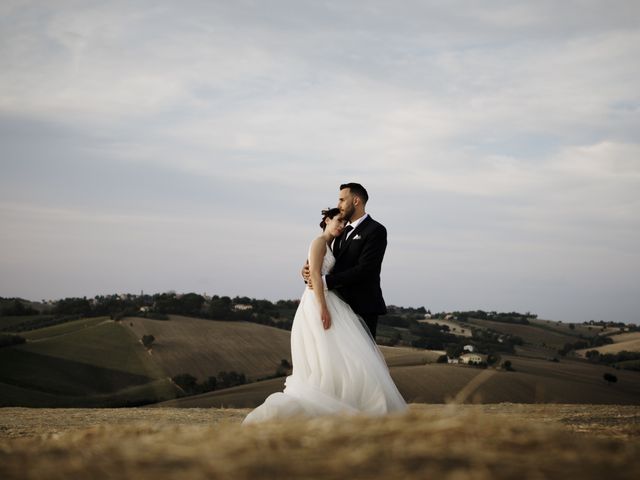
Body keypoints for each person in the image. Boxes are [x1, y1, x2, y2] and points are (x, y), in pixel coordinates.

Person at [242, 207, 406, 424]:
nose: (341, 225)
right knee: (326, 351)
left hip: (331, 300)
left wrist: (310, 274)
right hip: (318, 302)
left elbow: (317, 272)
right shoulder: (319, 242)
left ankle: (342, 396)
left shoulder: (333, 244)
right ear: (327, 220)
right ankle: (328, 397)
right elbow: (317, 279)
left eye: (344, 223)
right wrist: (323, 308)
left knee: (340, 354)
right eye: (338, 220)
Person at [306, 182, 387, 338]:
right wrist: (310, 273)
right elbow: (328, 263)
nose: (339, 204)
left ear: (355, 201)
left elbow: (365, 269)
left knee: (362, 360)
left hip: (363, 308)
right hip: (337, 307)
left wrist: (325, 281)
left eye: (342, 200)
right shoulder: (340, 231)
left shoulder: (376, 230)